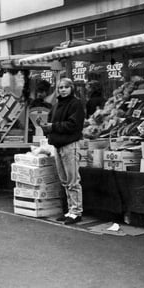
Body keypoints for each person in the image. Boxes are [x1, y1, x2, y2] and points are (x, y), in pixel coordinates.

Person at [41, 77, 85, 225]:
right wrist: (46, 128)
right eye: (60, 87)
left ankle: (76, 212)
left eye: (66, 87)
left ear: (72, 88)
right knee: (65, 180)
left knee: (73, 180)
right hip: (58, 145)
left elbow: (73, 125)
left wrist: (52, 127)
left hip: (70, 145)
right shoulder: (56, 105)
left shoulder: (76, 104)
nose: (63, 89)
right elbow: (51, 122)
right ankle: (70, 210)